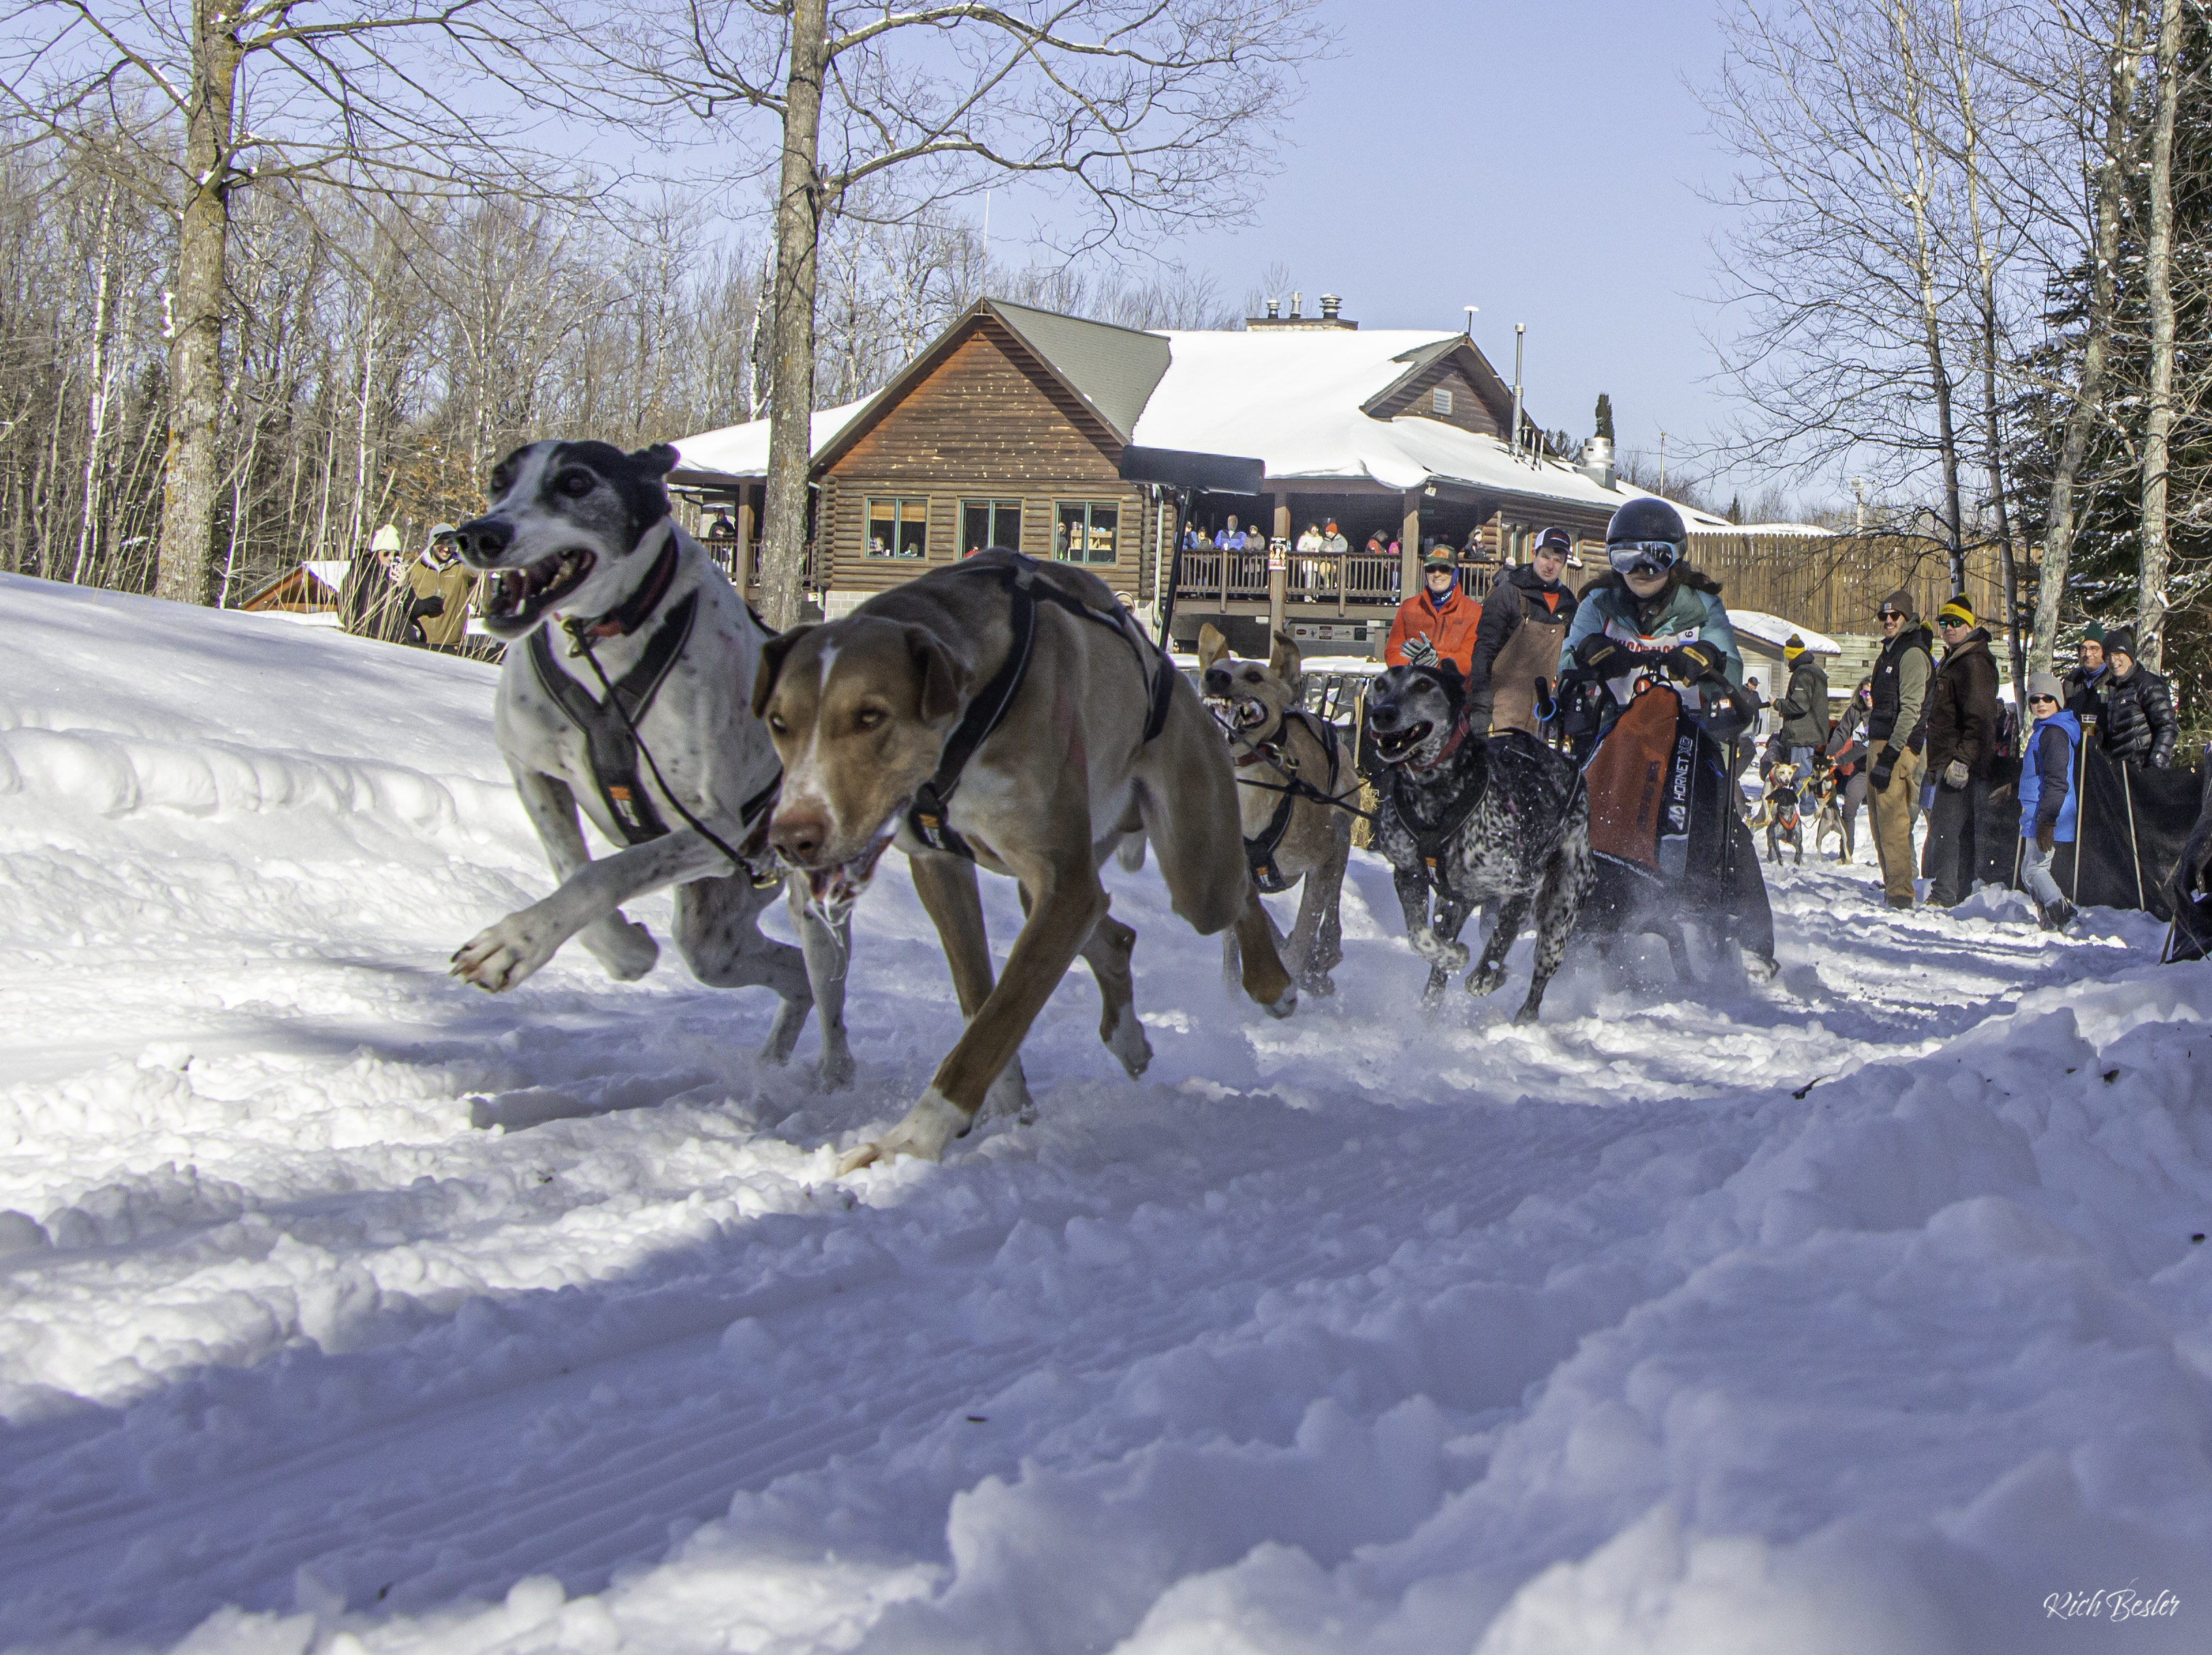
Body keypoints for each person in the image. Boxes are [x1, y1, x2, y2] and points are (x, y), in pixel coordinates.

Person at [1558, 496, 1771, 971]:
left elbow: (1729, 666)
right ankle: (1575, 908)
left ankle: (1752, 937)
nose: (1642, 568)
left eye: (1656, 555)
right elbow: (1568, 660)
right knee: (1578, 806)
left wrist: (1707, 660)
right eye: (1627, 557)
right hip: (1616, 732)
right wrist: (1591, 653)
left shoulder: (1701, 606)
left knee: (1722, 821)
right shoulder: (1599, 604)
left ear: (1675, 558)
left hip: (1689, 735)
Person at [1921, 597, 2002, 908]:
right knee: (1953, 828)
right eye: (1944, 623)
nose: (1949, 628)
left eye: (1956, 623)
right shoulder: (1955, 658)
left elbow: (1981, 717)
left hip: (1959, 762)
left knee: (1946, 829)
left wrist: (1964, 759)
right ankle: (1959, 890)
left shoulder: (1973, 662)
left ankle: (1945, 894)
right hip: (1946, 758)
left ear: (1970, 625)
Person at [1468, 524, 1579, 736]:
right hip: (1502, 706)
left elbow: (1571, 658)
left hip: (1543, 711)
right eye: (1545, 556)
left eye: (1558, 560)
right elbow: (1485, 648)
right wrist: (1482, 702)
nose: (1550, 565)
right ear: (1533, 554)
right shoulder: (1509, 593)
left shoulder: (1568, 603)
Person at [1865, 590, 1934, 909]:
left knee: (1894, 821)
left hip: (1898, 745)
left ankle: (1902, 894)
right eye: (1884, 616)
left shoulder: (1912, 653)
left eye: (1895, 616)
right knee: (1879, 823)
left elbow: (1911, 710)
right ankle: (1892, 884)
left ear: (1907, 618)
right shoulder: (1888, 653)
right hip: (1878, 742)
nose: (1888, 621)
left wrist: (1891, 756)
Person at [2017, 672, 2081, 932]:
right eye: (2035, 700)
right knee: (2029, 871)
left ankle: (2063, 913)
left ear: (2059, 701)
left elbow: (2057, 780)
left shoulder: (2054, 733)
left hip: (2048, 813)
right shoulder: (2043, 731)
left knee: (2035, 870)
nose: (2041, 704)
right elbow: (2038, 773)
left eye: (2048, 698)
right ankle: (2048, 919)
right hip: (2037, 810)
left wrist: (2047, 820)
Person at [1385, 546, 1481, 673]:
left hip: (1452, 689)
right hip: (1414, 687)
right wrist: (1412, 664)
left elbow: (1471, 659)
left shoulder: (1473, 611)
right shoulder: (1408, 607)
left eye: (1444, 568)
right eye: (1431, 569)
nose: (1437, 574)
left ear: (1455, 573)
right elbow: (1392, 652)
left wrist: (1438, 660)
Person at [2095, 627, 2179, 768]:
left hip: (2143, 770)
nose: (2113, 661)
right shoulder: (2114, 688)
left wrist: (2156, 764)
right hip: (2121, 772)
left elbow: (2167, 726)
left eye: (2118, 654)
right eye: (2108, 656)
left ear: (2129, 654)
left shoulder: (2147, 683)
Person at [1827, 678, 1875, 861]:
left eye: (1871, 693)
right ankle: (1846, 853)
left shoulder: (1883, 713)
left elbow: (1866, 746)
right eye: (1864, 693)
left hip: (1881, 769)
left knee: (1882, 816)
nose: (1868, 697)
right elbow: (1841, 732)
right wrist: (1829, 755)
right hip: (1861, 771)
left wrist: (1841, 759)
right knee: (1848, 809)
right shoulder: (1855, 711)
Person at [406, 524, 474, 650]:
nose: (447, 549)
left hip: (451, 645)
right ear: (432, 543)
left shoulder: (463, 569)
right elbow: (402, 604)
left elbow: (484, 573)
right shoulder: (415, 568)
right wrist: (418, 607)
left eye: (452, 544)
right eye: (442, 543)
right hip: (419, 643)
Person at [1774, 634, 1830, 772]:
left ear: (1790, 654)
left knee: (1800, 776)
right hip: (1811, 732)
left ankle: (1805, 795)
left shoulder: (1803, 673)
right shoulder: (1815, 669)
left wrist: (1778, 704)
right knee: (1805, 775)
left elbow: (1800, 705)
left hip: (1802, 736)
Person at [2062, 623, 2108, 724]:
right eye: (2084, 649)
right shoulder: (2071, 681)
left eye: (2093, 649)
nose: (2087, 654)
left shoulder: (2114, 680)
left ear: (2103, 651)